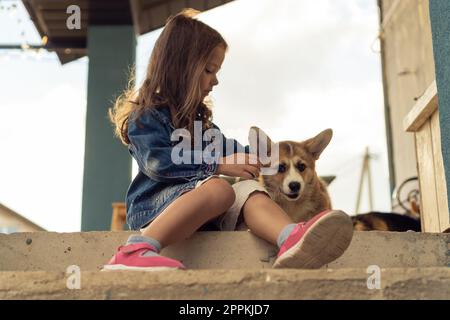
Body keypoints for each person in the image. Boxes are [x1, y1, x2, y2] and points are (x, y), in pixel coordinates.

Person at [103, 9, 353, 271]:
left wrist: (270, 160)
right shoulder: (146, 117)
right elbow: (158, 163)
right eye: (210, 70)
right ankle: (137, 249)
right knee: (219, 188)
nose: (216, 80)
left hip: (205, 218)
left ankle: (291, 238)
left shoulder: (201, 125)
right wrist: (217, 166)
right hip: (155, 213)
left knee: (247, 190)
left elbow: (233, 152)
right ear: (182, 68)